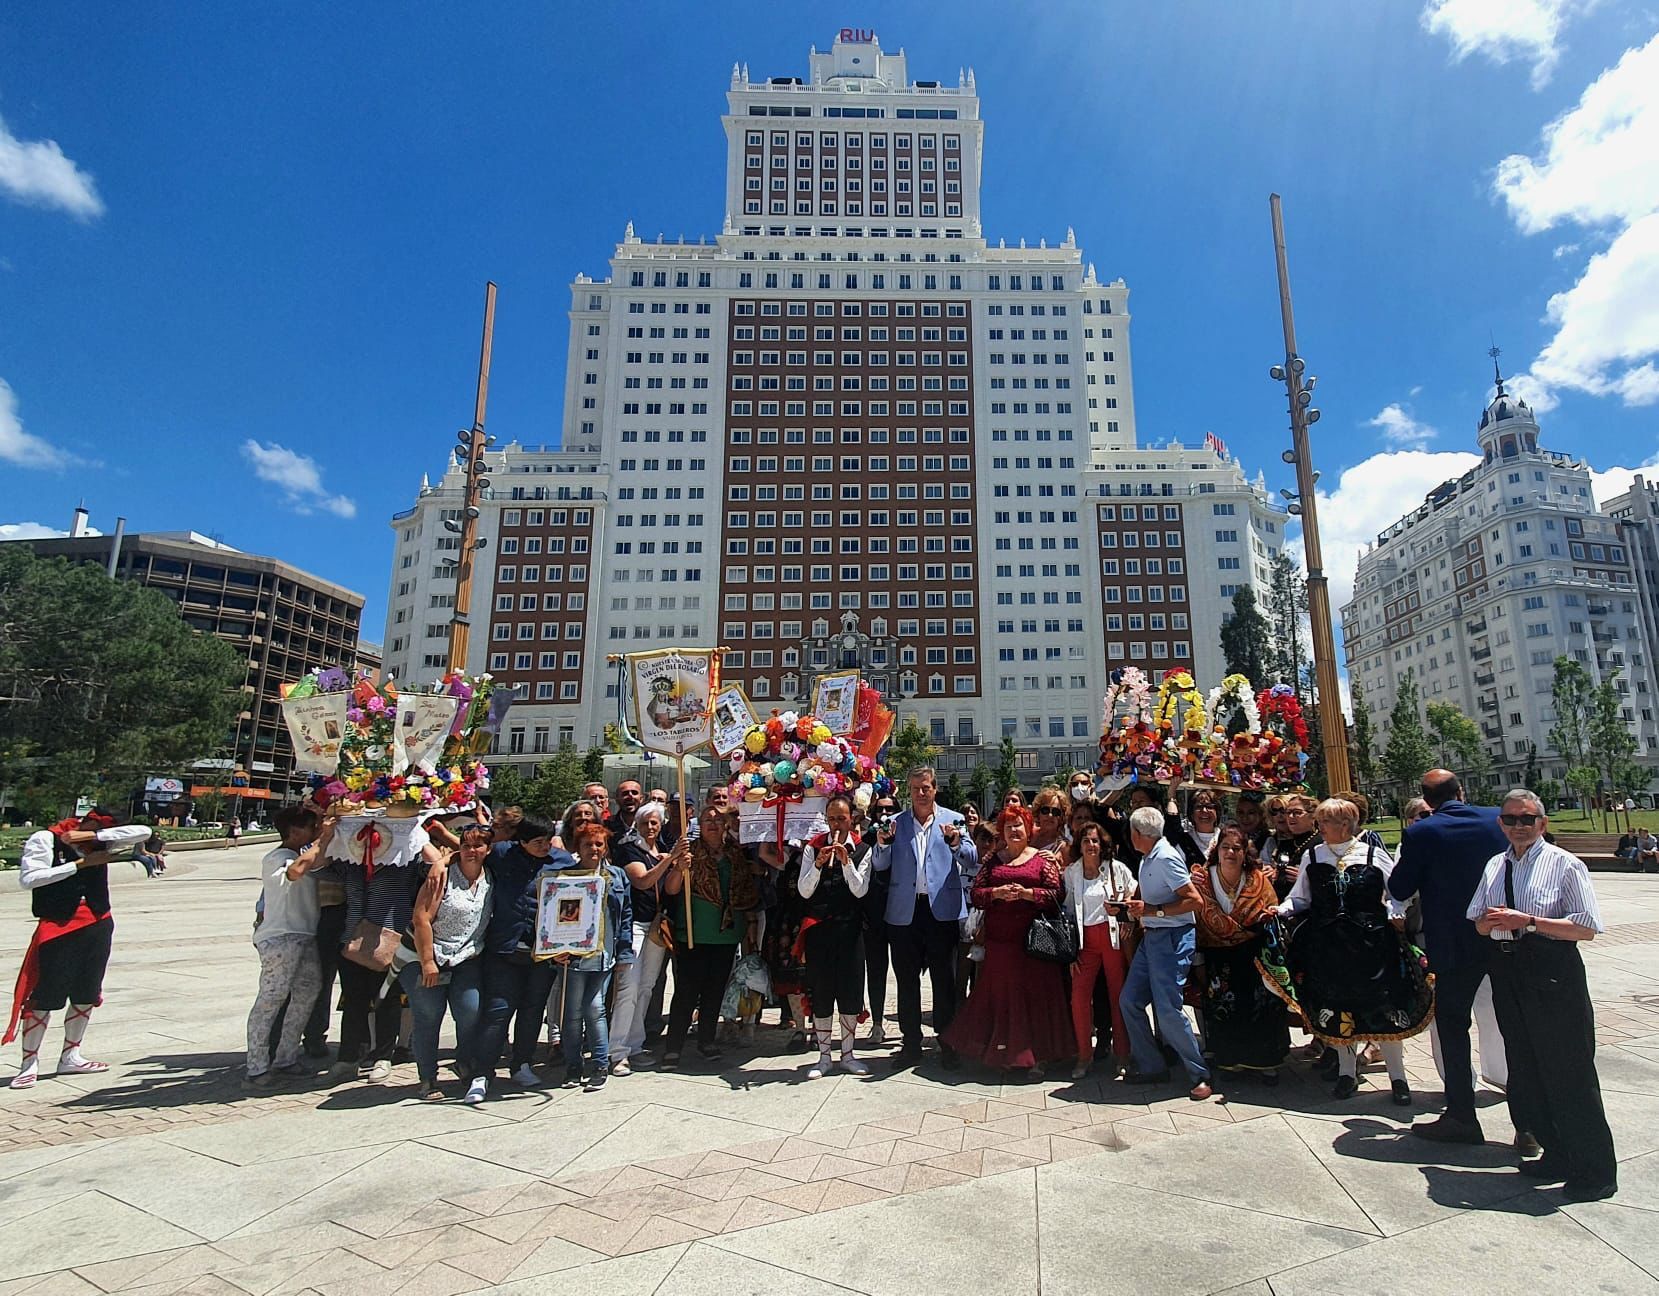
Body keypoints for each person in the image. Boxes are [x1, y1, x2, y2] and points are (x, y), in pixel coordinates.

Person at [1470, 789, 1616, 1202]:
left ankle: (1594, 1169)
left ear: (1543, 823)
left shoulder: (1564, 864)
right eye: (1511, 819)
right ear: (1500, 824)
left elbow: (1585, 927)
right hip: (1507, 966)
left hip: (1550, 968)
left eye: (1527, 819)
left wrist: (1528, 921)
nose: (1519, 826)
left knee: (1568, 1069)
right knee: (1527, 1066)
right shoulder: (1496, 865)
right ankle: (1556, 1153)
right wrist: (1491, 922)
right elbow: (1478, 920)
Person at [1268, 798, 1432, 1103]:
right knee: (1339, 1008)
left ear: (1345, 824)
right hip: (1330, 946)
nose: (1321, 827)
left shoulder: (1372, 853)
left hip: (1373, 945)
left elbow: (1397, 892)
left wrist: (1395, 910)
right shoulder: (1314, 856)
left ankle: (1398, 1079)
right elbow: (1300, 897)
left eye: (1326, 822)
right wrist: (1281, 909)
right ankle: (1346, 1074)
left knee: (1383, 1007)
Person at [1389, 770, 1510, 1144]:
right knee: (1514, 1026)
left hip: (1452, 946)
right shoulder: (1496, 818)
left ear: (1426, 800)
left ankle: (1461, 1115)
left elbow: (1399, 886)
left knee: (1453, 1029)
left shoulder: (1421, 832)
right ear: (1462, 791)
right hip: (1503, 938)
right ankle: (1529, 1124)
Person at [6, 809, 140, 1088]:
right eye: (100, 826)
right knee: (45, 995)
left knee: (86, 993)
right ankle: (29, 1062)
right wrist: (80, 864)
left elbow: (143, 832)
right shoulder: (46, 838)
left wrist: (94, 836)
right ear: (87, 819)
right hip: (58, 925)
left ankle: (71, 1056)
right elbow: (29, 879)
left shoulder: (99, 840)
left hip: (97, 923)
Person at [942, 805, 1071, 1079]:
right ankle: (1005, 1053)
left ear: (1028, 829)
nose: (1014, 830)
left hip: (1034, 942)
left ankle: (1037, 1057)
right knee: (1002, 998)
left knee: (1035, 997)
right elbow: (977, 893)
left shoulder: (1041, 859)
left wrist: (1028, 894)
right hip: (1001, 942)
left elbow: (1056, 894)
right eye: (1009, 826)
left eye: (1019, 825)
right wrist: (997, 893)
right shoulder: (993, 860)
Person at [872, 767, 978, 1070]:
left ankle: (947, 1042)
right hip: (905, 912)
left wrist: (956, 842)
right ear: (909, 790)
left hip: (941, 912)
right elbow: (880, 866)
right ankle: (910, 1043)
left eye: (927, 787)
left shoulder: (953, 819)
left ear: (935, 789)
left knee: (944, 981)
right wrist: (882, 843)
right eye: (916, 787)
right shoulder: (894, 823)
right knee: (906, 981)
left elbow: (971, 859)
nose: (921, 792)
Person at [466, 815, 568, 1104]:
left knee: (532, 1010)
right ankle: (482, 1072)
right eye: (538, 842)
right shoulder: (501, 854)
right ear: (520, 841)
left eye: (548, 841)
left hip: (543, 950)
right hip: (505, 947)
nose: (544, 847)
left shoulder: (561, 862)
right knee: (497, 1011)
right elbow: (469, 854)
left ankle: (521, 1063)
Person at [328, 818, 435, 1085]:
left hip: (389, 941)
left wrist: (414, 831)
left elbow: (433, 864)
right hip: (353, 939)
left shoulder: (404, 865)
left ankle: (383, 1056)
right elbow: (317, 866)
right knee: (354, 1000)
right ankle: (349, 1057)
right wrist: (332, 833)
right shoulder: (349, 864)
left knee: (386, 998)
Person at [1119, 805, 1212, 1100]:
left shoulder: (1166, 857)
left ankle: (1199, 1073)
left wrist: (1153, 911)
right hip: (1153, 937)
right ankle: (1151, 1064)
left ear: (1137, 833)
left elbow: (1194, 901)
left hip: (1172, 937)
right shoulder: (1150, 857)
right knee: (1130, 1000)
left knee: (1168, 1010)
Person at [399, 821, 493, 1101]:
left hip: (465, 957)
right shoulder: (441, 876)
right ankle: (428, 1078)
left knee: (470, 1012)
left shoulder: (491, 875)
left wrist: (447, 854)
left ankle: (463, 1061)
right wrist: (428, 961)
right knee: (428, 1017)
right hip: (424, 956)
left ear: (488, 849)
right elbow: (421, 918)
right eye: (465, 845)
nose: (471, 850)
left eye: (477, 845)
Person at [661, 804, 759, 1066]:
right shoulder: (688, 851)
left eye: (717, 820)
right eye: (707, 820)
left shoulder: (734, 853)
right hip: (694, 932)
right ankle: (674, 1045)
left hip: (726, 933)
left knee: (715, 989)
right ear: (699, 825)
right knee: (686, 991)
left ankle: (707, 1040)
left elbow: (745, 889)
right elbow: (671, 890)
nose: (712, 824)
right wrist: (679, 868)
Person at [244, 805, 335, 1090]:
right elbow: (295, 873)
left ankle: (286, 1057)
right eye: (312, 827)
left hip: (305, 934)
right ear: (295, 831)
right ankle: (257, 1066)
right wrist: (324, 838)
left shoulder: (302, 856)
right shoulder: (277, 858)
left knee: (306, 994)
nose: (316, 831)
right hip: (281, 937)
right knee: (271, 999)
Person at [1192, 825, 1289, 1085]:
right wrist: (1198, 962)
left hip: (1254, 955)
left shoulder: (1258, 879)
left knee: (1260, 1007)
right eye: (1225, 847)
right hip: (1217, 956)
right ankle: (1230, 1061)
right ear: (1217, 850)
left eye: (1237, 848)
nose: (1231, 853)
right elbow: (1199, 925)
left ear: (1246, 852)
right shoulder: (1202, 880)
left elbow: (1271, 911)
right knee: (1225, 1009)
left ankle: (1265, 1064)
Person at [551, 824, 633, 1091]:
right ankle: (573, 1066)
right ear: (578, 847)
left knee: (595, 1007)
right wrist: (554, 949)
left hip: (605, 953)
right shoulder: (566, 876)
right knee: (572, 1013)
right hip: (574, 955)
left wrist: (624, 951)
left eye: (599, 844)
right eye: (588, 844)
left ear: (606, 847)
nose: (594, 849)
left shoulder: (617, 876)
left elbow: (625, 916)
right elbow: (555, 917)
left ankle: (599, 1064)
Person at [798, 795, 874, 1078]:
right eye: (832, 819)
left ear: (851, 818)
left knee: (850, 989)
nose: (837, 824)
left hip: (849, 929)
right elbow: (804, 890)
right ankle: (823, 1055)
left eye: (842, 818)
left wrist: (845, 862)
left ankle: (848, 1053)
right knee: (822, 991)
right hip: (820, 929)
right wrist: (818, 864)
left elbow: (860, 890)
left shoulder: (863, 848)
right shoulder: (813, 847)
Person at [609, 802, 681, 1073]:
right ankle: (617, 1049)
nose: (650, 827)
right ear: (636, 824)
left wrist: (674, 863)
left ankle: (635, 1044)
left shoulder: (659, 852)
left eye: (654, 822)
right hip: (634, 926)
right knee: (628, 987)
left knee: (646, 987)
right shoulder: (629, 849)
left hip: (655, 926)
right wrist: (670, 859)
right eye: (645, 822)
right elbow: (643, 881)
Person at [1064, 819, 1137, 1080]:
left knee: (1119, 996)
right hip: (1085, 942)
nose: (1091, 845)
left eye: (1095, 840)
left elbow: (1134, 894)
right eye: (1086, 841)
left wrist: (1127, 917)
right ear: (1079, 845)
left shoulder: (1116, 869)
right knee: (1079, 999)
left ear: (1102, 843)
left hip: (1112, 938)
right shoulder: (1072, 872)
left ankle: (1123, 1054)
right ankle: (1084, 1055)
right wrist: (1071, 950)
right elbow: (1068, 910)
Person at [860, 791, 898, 1045]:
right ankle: (876, 1022)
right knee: (875, 970)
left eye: (889, 810)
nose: (884, 815)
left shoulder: (904, 838)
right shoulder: (865, 840)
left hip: (900, 912)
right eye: (879, 810)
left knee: (906, 970)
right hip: (873, 914)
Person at [1262, 793, 1318, 902]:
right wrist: (1273, 874)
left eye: (1297, 813)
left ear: (1313, 816)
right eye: (1288, 812)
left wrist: (1305, 880)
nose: (1290, 817)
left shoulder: (1320, 843)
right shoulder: (1282, 844)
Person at [1030, 787, 1073, 866]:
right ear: (1038, 813)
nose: (1050, 815)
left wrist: (1055, 863)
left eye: (1055, 812)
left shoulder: (1064, 847)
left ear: (1061, 817)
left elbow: (1067, 875)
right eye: (1045, 810)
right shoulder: (1028, 836)